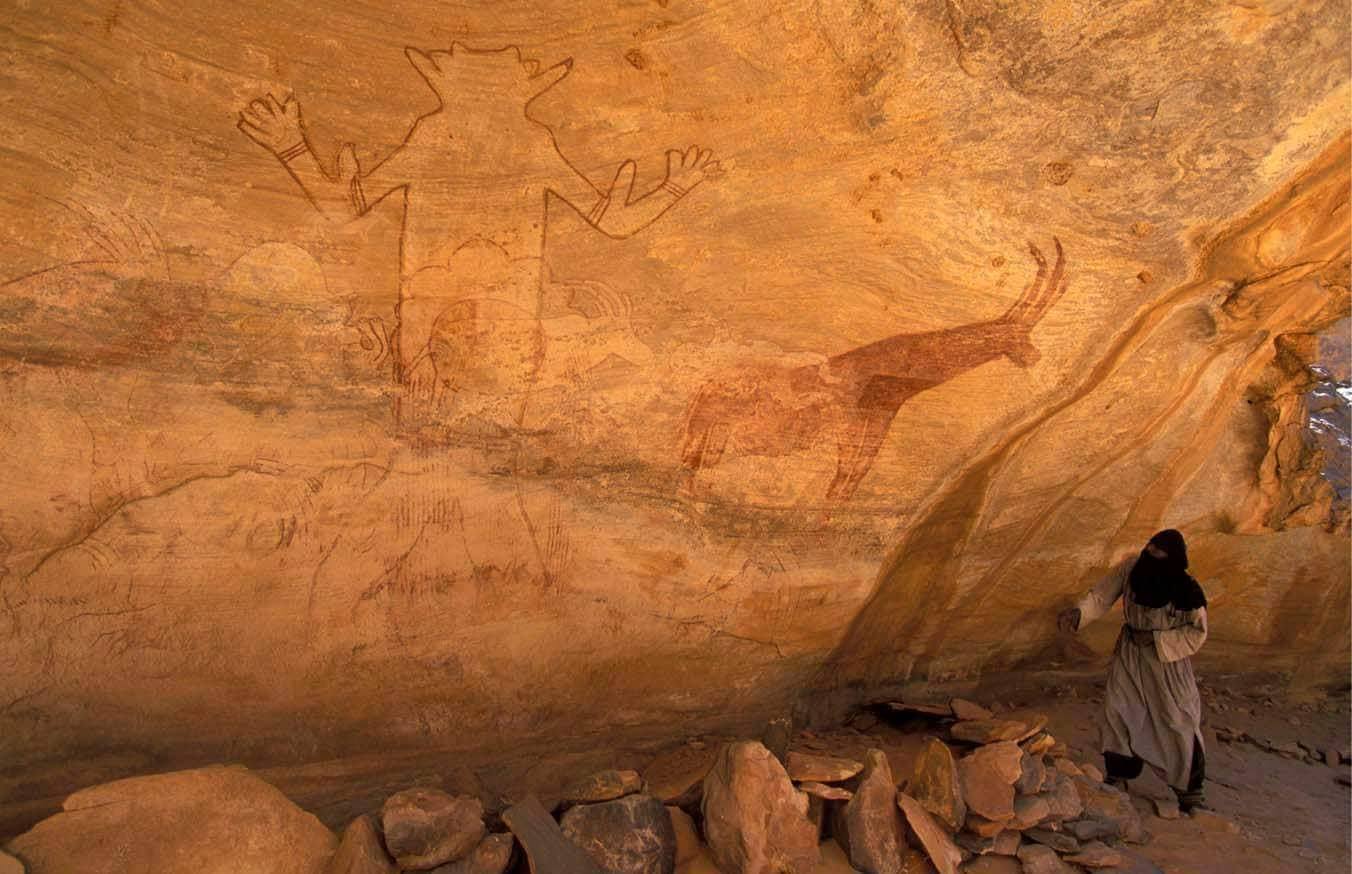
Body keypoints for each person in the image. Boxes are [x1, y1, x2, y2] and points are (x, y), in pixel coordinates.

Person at [1057, 529, 1209, 812]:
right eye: (1149, 548)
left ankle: (1189, 790)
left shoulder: (1187, 590)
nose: (1150, 554)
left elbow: (1197, 633)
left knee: (1177, 719)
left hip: (1166, 663)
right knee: (1119, 709)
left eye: (1157, 552)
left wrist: (1156, 639)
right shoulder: (1132, 569)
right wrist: (1079, 613)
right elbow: (1102, 595)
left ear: (1172, 558)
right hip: (1130, 653)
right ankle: (1119, 773)